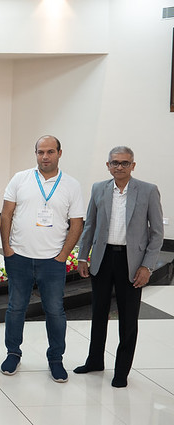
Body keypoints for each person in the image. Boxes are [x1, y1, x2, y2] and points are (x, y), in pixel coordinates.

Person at [74, 146, 164, 388]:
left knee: (128, 318)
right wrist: (83, 257)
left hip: (131, 262)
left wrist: (147, 266)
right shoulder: (99, 188)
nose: (120, 167)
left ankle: (122, 370)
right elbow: (90, 224)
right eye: (115, 162)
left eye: (125, 163)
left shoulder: (147, 191)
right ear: (108, 165)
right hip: (103, 259)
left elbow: (157, 234)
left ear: (133, 165)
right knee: (98, 314)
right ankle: (95, 361)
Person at [0, 135, 85, 382]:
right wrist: (7, 248)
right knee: (15, 308)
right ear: (35, 153)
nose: (44, 157)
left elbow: (77, 224)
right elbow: (6, 215)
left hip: (52, 261)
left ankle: (56, 358)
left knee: (55, 311)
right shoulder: (20, 179)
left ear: (60, 153)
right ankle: (13, 353)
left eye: (49, 152)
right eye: (40, 152)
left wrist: (62, 256)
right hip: (19, 257)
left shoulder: (71, 185)